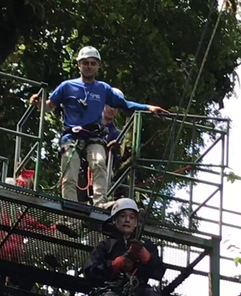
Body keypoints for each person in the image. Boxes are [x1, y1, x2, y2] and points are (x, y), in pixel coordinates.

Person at [30, 46, 168, 208]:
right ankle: (70, 208)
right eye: (85, 63)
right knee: (69, 174)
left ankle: (100, 203)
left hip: (94, 135)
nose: (89, 66)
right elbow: (49, 106)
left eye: (93, 63)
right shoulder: (67, 86)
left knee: (99, 163)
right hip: (71, 136)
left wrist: (148, 108)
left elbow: (125, 104)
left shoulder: (103, 89)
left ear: (98, 67)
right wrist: (38, 103)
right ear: (79, 65)